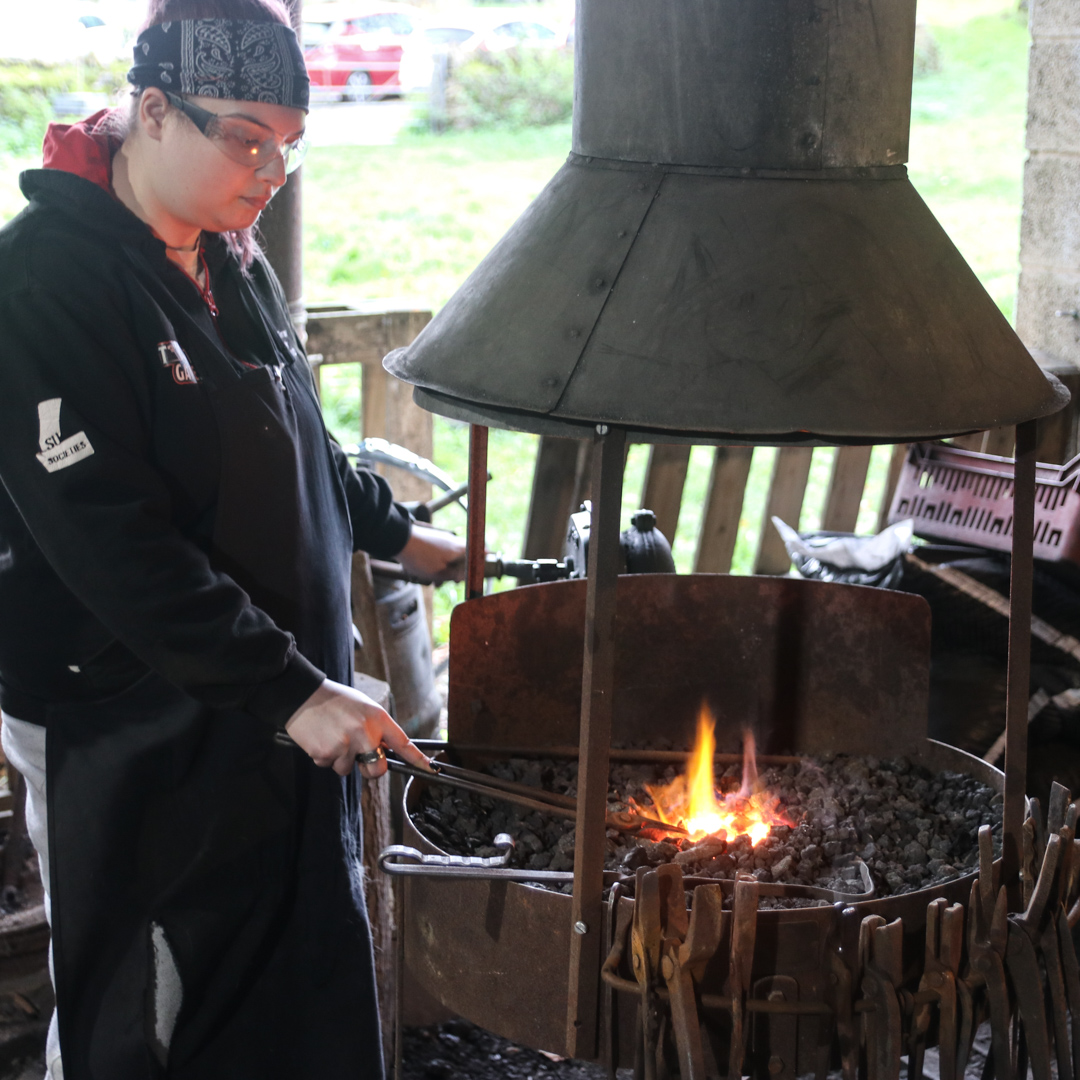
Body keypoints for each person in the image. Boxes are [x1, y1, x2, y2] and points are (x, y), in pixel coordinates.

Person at [0, 1, 465, 1076]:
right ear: (152, 113)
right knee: (148, 989)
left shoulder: (228, 258)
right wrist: (295, 690)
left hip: (260, 694)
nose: (271, 170)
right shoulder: (43, 285)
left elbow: (294, 431)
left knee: (273, 970)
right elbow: (109, 541)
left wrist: (404, 540)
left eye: (289, 145)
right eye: (246, 137)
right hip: (122, 715)